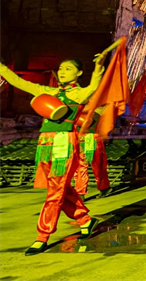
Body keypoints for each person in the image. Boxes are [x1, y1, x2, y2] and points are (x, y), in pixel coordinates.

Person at [0, 56, 107, 255]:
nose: (62, 72)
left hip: (63, 144)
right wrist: (2, 68)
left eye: (68, 68)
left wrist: (99, 67)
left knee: (55, 193)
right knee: (59, 188)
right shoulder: (48, 91)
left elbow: (94, 87)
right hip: (46, 144)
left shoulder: (78, 95)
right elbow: (18, 81)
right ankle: (85, 220)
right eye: (60, 68)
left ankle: (42, 235)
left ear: (79, 73)